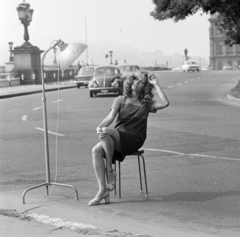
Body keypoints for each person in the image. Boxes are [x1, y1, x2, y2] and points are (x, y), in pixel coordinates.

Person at [88, 71, 169, 206]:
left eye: (142, 82)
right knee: (95, 150)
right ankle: (103, 190)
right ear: (130, 81)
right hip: (117, 136)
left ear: (145, 87)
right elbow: (110, 118)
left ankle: (110, 172)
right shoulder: (120, 99)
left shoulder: (146, 103)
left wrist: (156, 84)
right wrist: (99, 127)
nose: (137, 82)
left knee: (107, 132)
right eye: (136, 79)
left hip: (134, 138)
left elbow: (165, 103)